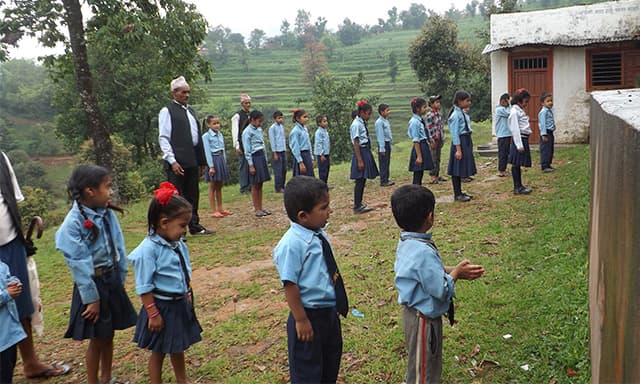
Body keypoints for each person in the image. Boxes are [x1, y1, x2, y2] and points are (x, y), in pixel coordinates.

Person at [391, 184, 484, 384]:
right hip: (423, 321)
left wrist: (452, 271)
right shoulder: (422, 251)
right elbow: (440, 290)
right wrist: (456, 273)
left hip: (414, 316)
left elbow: (424, 274)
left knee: (425, 362)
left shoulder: (407, 241)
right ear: (430, 217)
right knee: (423, 371)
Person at [55, 164, 137, 384]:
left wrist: (120, 276)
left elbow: (118, 244)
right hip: (93, 285)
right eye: (107, 187)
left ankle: (107, 378)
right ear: (90, 191)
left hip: (111, 280)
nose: (110, 192)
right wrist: (91, 299)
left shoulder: (106, 212)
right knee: (97, 339)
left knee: (108, 334)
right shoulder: (73, 225)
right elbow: (79, 264)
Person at [0, 151, 71, 380]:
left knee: (21, 302)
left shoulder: (0, 157)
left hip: (10, 243)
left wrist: (20, 241)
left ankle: (30, 362)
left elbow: (11, 201)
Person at [273, 176, 348, 384]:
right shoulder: (292, 244)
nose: (329, 211)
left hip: (328, 313)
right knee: (308, 372)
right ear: (303, 216)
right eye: (324, 208)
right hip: (308, 317)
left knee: (330, 363)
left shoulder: (317, 234)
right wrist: (301, 319)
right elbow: (290, 284)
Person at [128, 182, 202, 384]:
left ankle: (182, 380)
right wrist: (153, 314)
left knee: (178, 346)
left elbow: (182, 269)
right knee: (159, 351)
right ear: (164, 222)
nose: (185, 230)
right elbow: (144, 287)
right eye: (182, 225)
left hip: (178, 303)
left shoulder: (175, 243)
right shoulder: (148, 251)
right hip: (161, 308)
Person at [158, 76, 213, 236]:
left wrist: (201, 161)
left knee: (192, 194)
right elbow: (164, 137)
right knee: (177, 197)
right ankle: (177, 230)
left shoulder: (190, 111)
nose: (187, 95)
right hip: (177, 161)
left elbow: (196, 137)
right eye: (183, 92)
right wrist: (172, 160)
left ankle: (194, 225)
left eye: (188, 92)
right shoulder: (167, 111)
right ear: (174, 93)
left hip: (191, 160)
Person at [447, 90, 477, 202]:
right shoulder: (455, 116)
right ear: (460, 101)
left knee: (461, 167)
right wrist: (458, 149)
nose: (469, 103)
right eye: (467, 100)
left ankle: (460, 191)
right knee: (456, 168)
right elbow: (455, 134)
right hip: (459, 143)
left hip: (466, 140)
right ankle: (457, 194)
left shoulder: (462, 113)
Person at [350, 100, 379, 214]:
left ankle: (359, 203)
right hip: (360, 151)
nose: (369, 116)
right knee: (360, 180)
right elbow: (356, 142)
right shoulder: (356, 124)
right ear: (361, 112)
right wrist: (360, 160)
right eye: (368, 113)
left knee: (363, 179)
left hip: (365, 150)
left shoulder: (361, 122)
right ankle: (357, 205)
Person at [0, 260, 27, 384]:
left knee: (9, 365)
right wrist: (6, 294)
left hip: (8, 334)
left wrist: (14, 282)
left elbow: (7, 276)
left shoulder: (1, 264)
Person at [242, 110, 272, 217]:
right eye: (259, 121)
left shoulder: (258, 130)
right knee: (255, 184)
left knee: (260, 184)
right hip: (254, 158)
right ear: (252, 120)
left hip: (261, 157)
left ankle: (261, 207)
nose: (260, 123)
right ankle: (256, 209)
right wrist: (251, 164)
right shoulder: (247, 132)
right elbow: (247, 150)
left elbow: (262, 144)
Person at [202, 115, 232, 218]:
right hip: (213, 160)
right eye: (214, 123)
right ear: (208, 124)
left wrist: (224, 162)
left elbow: (223, 149)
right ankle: (213, 210)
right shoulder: (206, 136)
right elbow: (207, 152)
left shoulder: (220, 135)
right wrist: (211, 166)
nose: (217, 125)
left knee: (219, 185)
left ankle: (220, 208)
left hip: (220, 159)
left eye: (218, 123)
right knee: (212, 186)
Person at [508, 88, 534, 194]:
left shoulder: (519, 111)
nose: (526, 104)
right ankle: (517, 187)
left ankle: (519, 185)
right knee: (515, 163)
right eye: (525, 101)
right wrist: (519, 144)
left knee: (517, 163)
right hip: (519, 139)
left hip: (523, 138)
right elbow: (515, 129)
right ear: (519, 101)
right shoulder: (514, 112)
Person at [407, 97, 434, 186]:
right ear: (417, 109)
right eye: (424, 107)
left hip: (423, 145)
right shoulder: (415, 122)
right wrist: (419, 156)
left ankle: (418, 189)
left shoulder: (420, 120)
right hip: (419, 146)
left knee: (420, 171)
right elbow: (416, 140)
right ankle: (415, 190)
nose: (425, 109)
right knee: (417, 172)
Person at [231, 93, 253, 194]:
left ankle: (251, 186)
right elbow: (235, 131)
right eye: (246, 103)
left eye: (249, 103)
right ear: (242, 104)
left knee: (251, 165)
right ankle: (244, 187)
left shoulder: (251, 115)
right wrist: (237, 145)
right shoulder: (237, 116)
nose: (248, 105)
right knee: (243, 166)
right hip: (242, 144)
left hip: (251, 144)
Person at [425, 95, 447, 184]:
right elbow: (429, 129)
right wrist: (431, 141)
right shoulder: (429, 115)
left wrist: (443, 138)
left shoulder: (439, 114)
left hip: (439, 138)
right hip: (434, 139)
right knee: (433, 157)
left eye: (439, 102)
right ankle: (433, 176)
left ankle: (437, 174)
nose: (439, 104)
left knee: (438, 157)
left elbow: (441, 127)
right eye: (436, 102)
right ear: (431, 104)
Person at [289, 109, 315, 177]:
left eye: (307, 117)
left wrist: (311, 157)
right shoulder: (295, 131)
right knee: (301, 178)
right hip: (301, 155)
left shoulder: (305, 129)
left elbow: (308, 144)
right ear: (297, 118)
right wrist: (300, 162)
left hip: (307, 154)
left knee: (309, 176)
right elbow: (295, 148)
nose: (307, 119)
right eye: (304, 117)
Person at [375, 103, 395, 187]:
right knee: (383, 162)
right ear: (382, 112)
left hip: (387, 143)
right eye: (387, 110)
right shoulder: (379, 122)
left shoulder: (385, 121)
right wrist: (382, 148)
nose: (389, 112)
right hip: (383, 143)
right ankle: (383, 180)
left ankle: (386, 178)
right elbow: (380, 136)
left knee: (387, 162)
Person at [268, 111, 287, 193]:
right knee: (278, 170)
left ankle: (282, 185)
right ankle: (278, 187)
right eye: (279, 118)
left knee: (284, 169)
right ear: (275, 119)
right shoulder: (272, 128)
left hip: (283, 149)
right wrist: (274, 152)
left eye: (281, 118)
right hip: (277, 151)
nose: (280, 119)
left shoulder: (281, 127)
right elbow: (272, 141)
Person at [538, 92, 556, 173]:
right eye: (548, 101)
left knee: (550, 149)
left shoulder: (549, 111)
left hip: (550, 132)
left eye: (551, 100)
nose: (550, 103)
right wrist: (543, 134)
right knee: (545, 149)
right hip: (546, 133)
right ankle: (544, 166)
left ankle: (548, 164)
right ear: (542, 103)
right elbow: (542, 124)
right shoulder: (543, 112)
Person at [495, 93, 511, 177]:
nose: (508, 104)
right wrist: (511, 104)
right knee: (502, 153)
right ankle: (501, 170)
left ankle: (503, 169)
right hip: (502, 135)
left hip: (507, 134)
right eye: (507, 102)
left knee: (506, 153)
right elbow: (510, 113)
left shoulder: (505, 108)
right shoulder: (499, 109)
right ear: (502, 101)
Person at [314, 115, 331, 185]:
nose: (326, 123)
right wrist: (321, 154)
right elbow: (319, 144)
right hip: (322, 155)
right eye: (324, 121)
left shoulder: (325, 131)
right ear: (319, 123)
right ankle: (322, 185)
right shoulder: (319, 132)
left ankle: (325, 184)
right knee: (322, 171)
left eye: (326, 121)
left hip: (326, 153)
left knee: (327, 169)